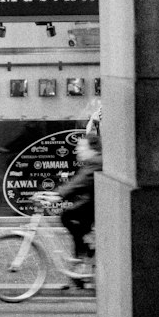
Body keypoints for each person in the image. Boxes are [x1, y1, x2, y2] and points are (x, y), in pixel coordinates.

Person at [58, 105, 100, 277]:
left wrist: (58, 194)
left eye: (82, 148)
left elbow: (79, 183)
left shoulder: (96, 162)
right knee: (75, 223)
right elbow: (79, 182)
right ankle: (82, 261)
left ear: (92, 149)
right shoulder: (92, 162)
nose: (77, 151)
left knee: (68, 216)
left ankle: (85, 254)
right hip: (91, 201)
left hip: (95, 204)